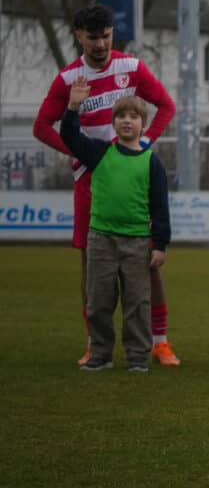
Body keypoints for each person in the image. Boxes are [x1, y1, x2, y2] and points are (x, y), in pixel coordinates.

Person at [33, 3, 178, 366]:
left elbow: (166, 106)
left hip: (132, 176)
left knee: (147, 262)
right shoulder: (68, 79)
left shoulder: (130, 68)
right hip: (91, 180)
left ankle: (158, 342)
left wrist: (146, 144)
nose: (100, 43)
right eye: (93, 37)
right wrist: (80, 155)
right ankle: (94, 343)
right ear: (78, 36)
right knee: (91, 265)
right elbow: (41, 127)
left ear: (113, 33)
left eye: (106, 36)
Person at [59, 81, 170, 372]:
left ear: (144, 125)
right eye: (121, 116)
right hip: (101, 239)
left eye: (134, 117)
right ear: (114, 123)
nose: (127, 121)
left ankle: (137, 356)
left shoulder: (151, 162)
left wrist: (160, 245)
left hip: (137, 241)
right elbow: (69, 135)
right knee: (99, 300)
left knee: (137, 302)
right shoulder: (99, 152)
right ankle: (100, 354)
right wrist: (73, 106)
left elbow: (160, 207)